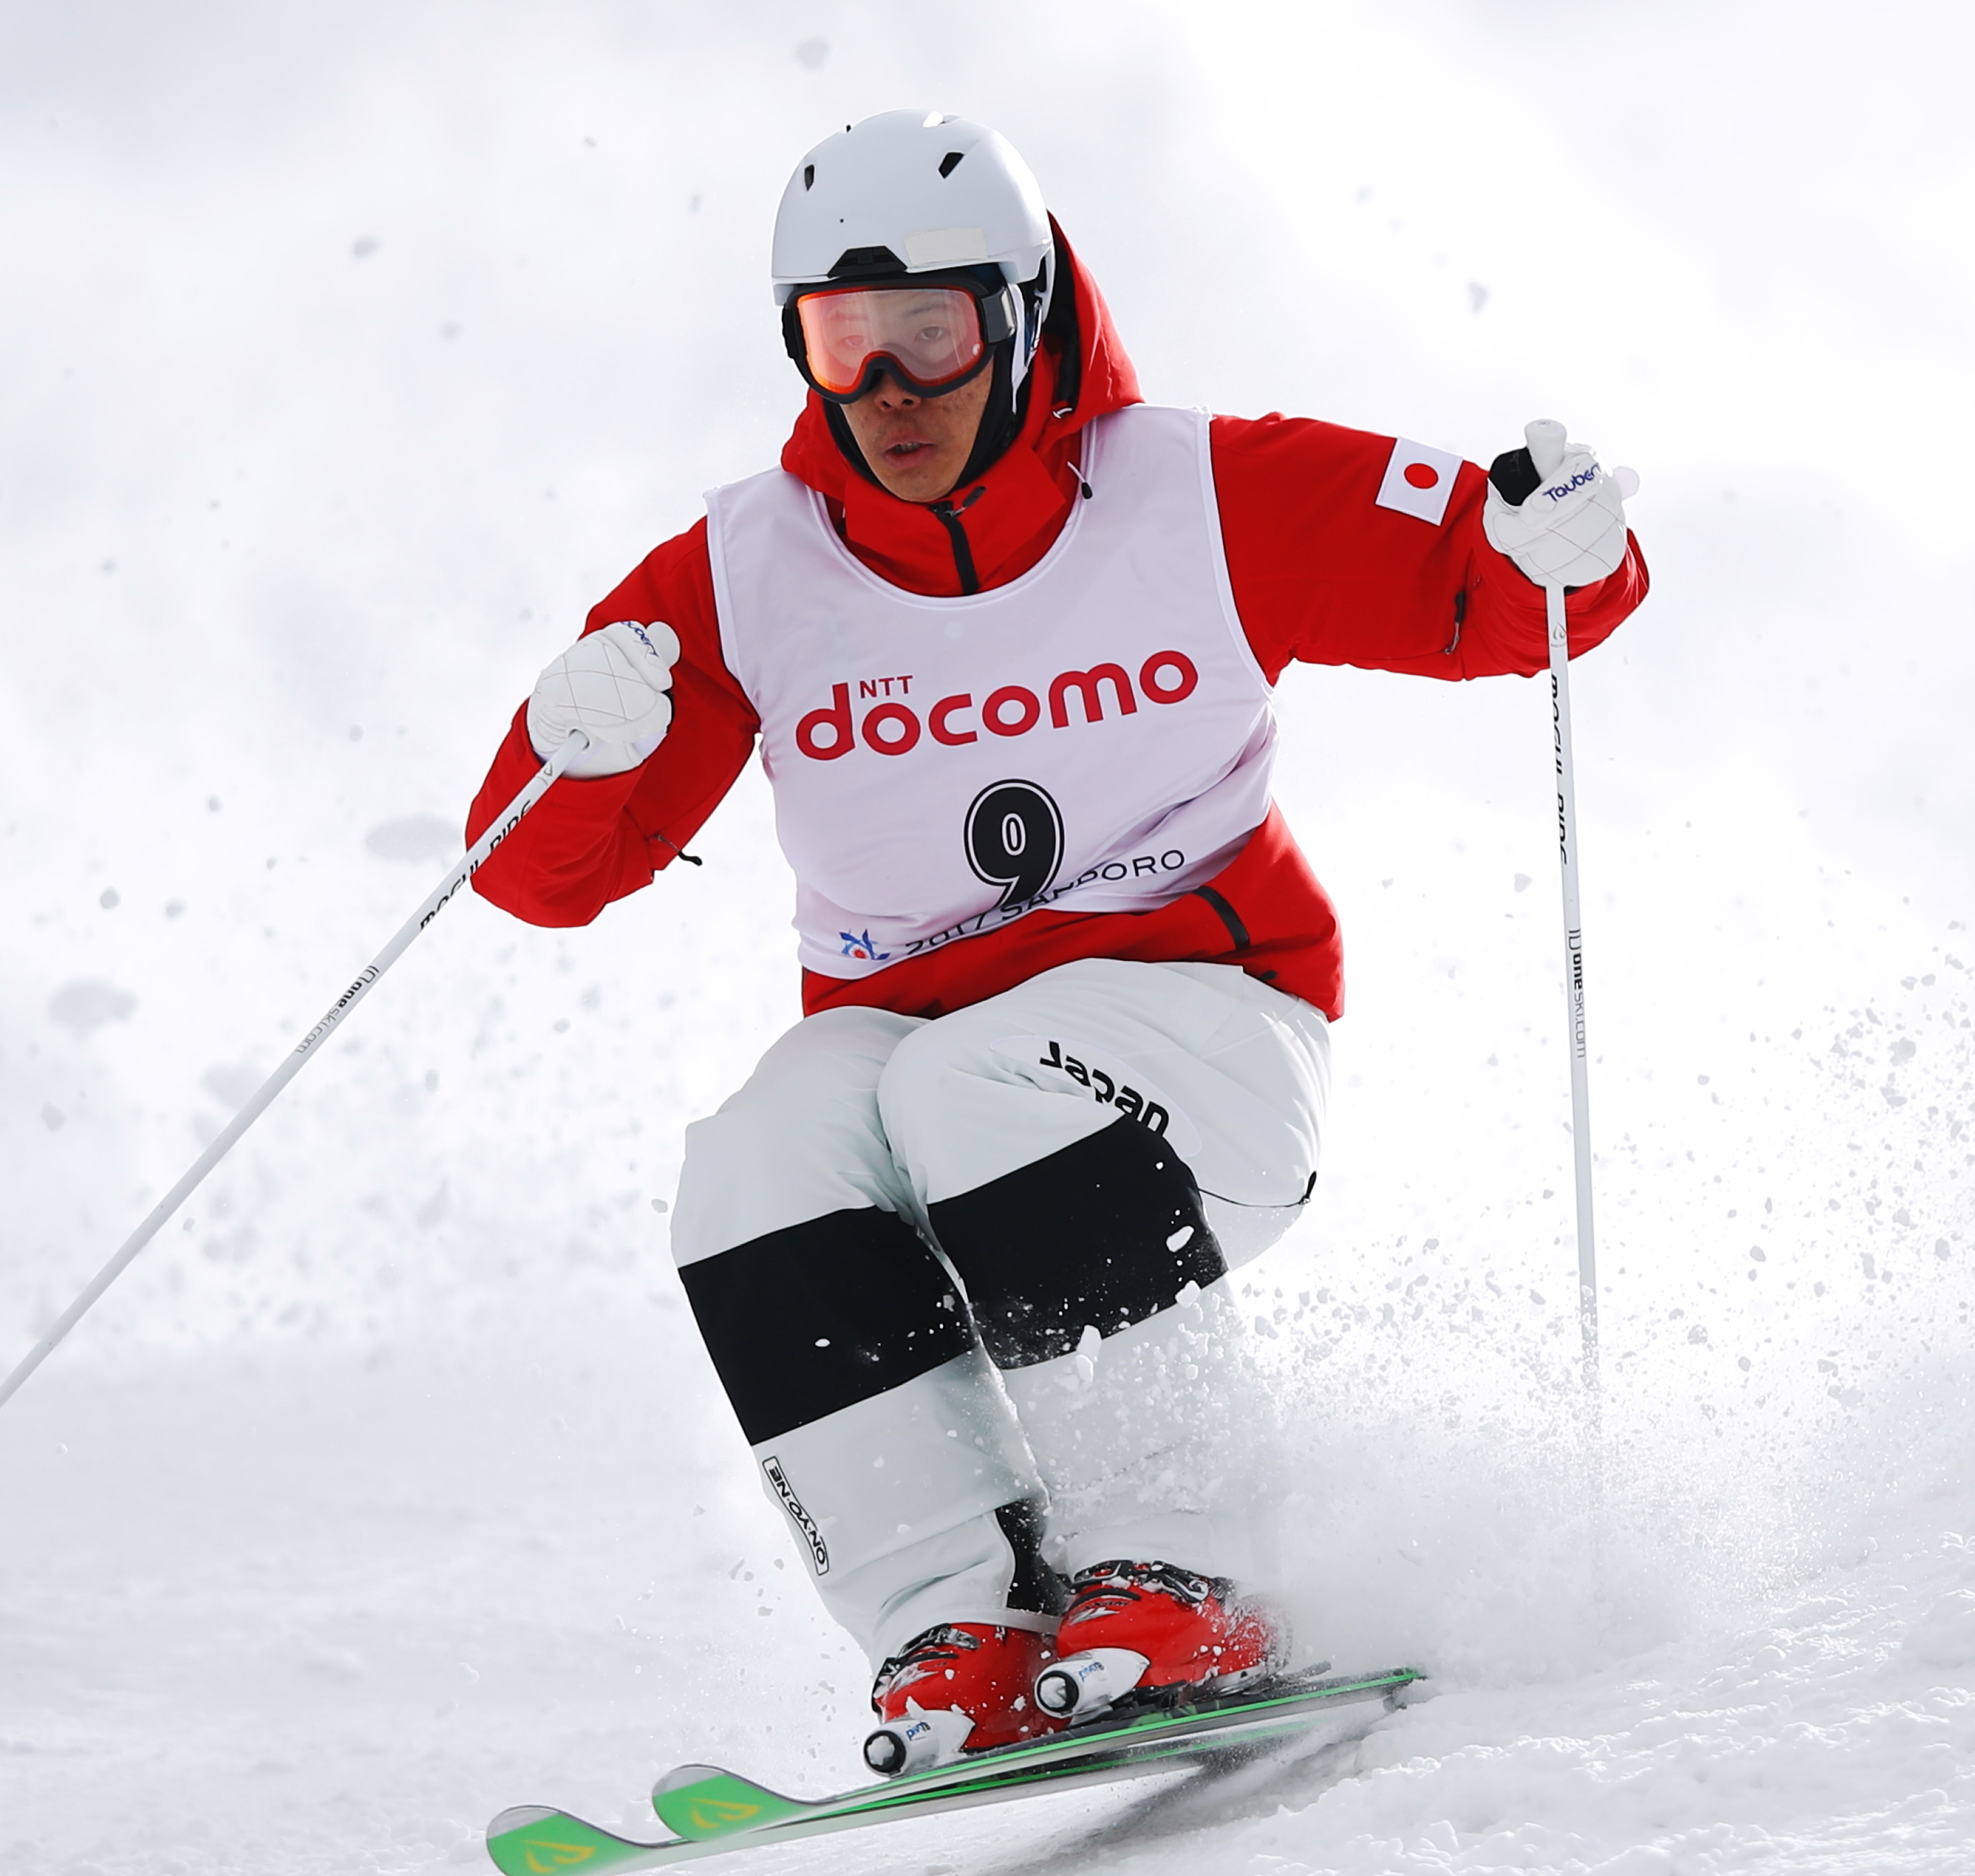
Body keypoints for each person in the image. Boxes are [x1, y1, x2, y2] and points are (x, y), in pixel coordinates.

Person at [465, 110, 1647, 1776]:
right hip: (945, 1103)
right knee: (756, 1154)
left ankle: (1194, 1568)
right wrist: (562, 749)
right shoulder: (750, 574)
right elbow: (538, 877)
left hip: (1216, 1052)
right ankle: (966, 1624)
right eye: (841, 343)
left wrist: (1562, 547)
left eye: (930, 335)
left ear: (1020, 319)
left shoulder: (1195, 494)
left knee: (970, 1078)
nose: (888, 394)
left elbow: (1508, 587)